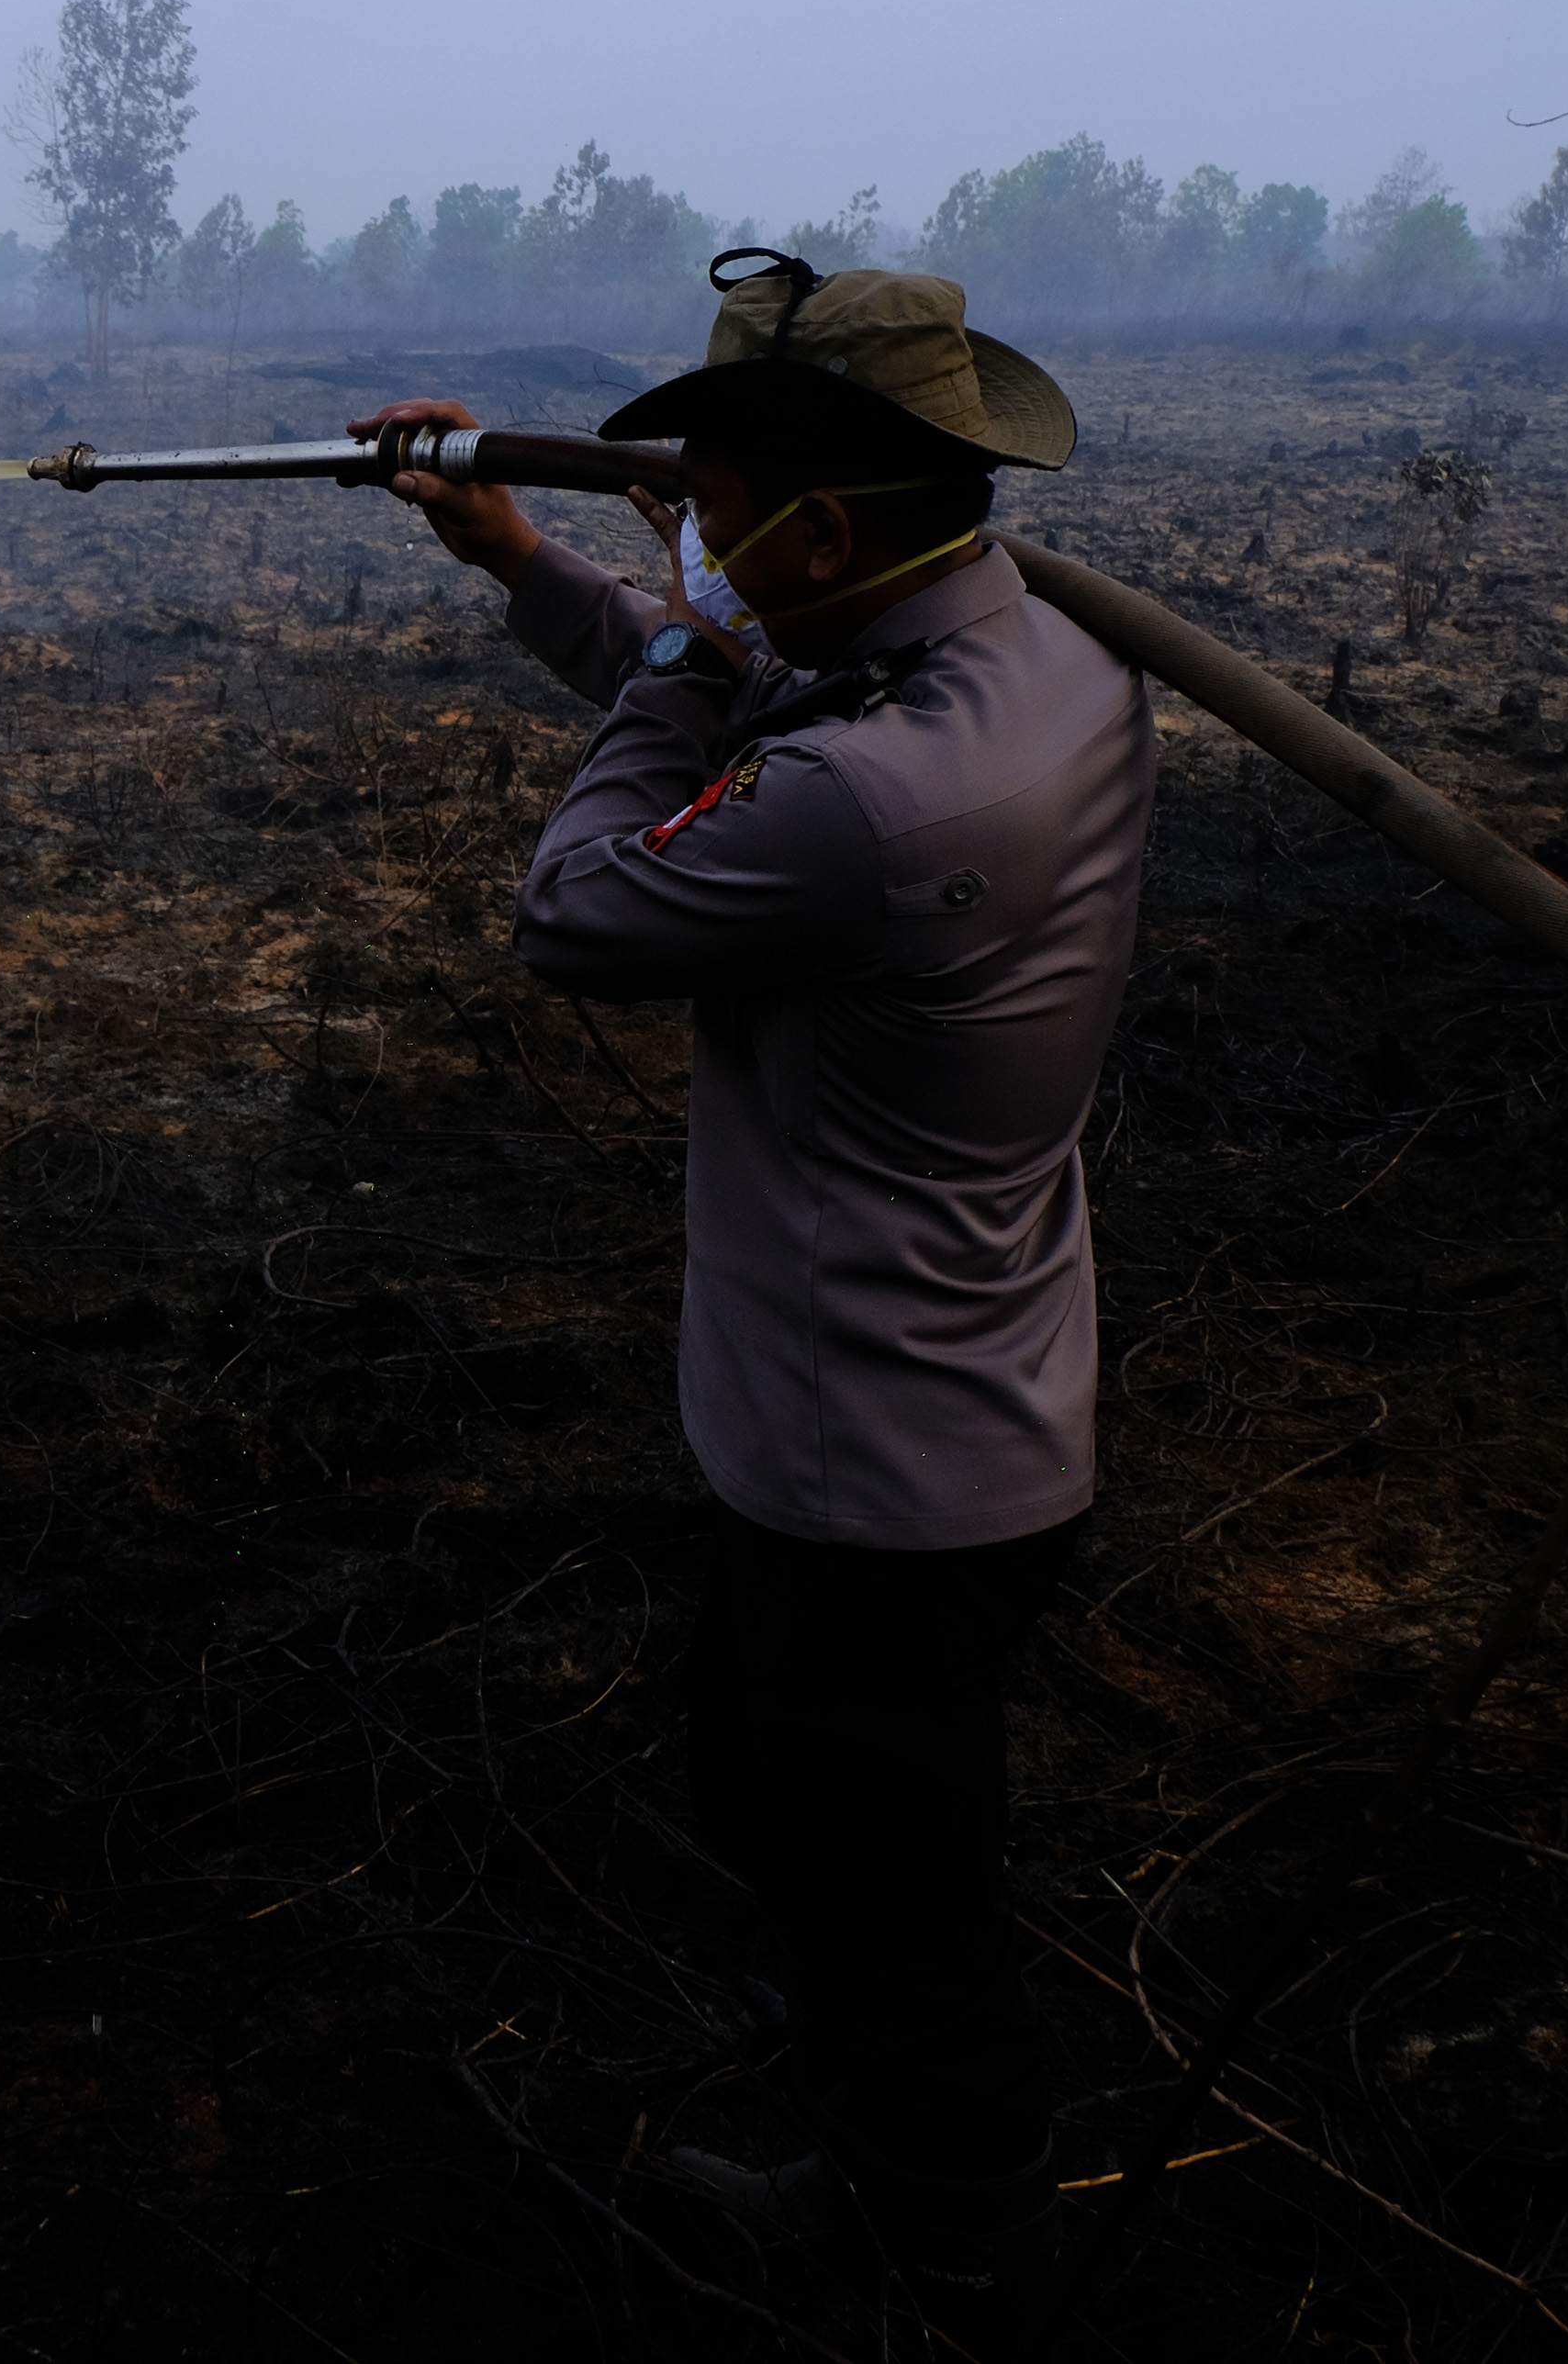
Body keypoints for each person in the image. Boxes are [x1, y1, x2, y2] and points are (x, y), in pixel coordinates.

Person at [353, 250, 1154, 2310]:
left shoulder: (897, 794)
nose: (686, 543)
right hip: (951, 1405)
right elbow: (726, 694)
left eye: (711, 513)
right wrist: (534, 563)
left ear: (818, 530)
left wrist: (682, 652)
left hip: (873, 1466)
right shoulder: (1005, 663)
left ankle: (946, 2259)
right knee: (807, 1815)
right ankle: (890, 2161)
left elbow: (588, 894)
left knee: (890, 1899)